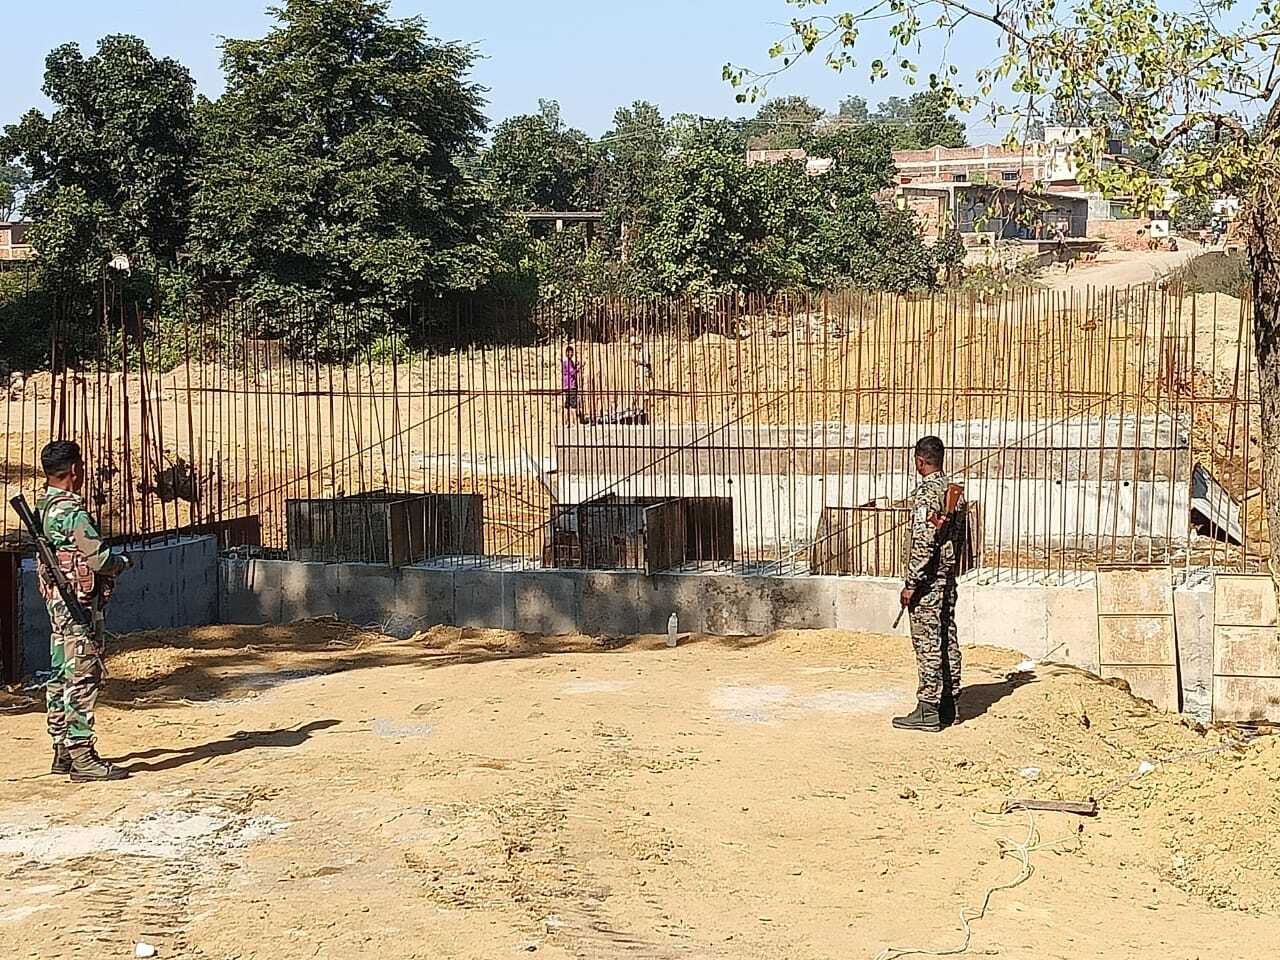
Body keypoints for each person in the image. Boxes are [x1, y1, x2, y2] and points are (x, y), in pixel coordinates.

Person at [37, 440, 131, 781]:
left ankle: (62, 748)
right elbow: (99, 560)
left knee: (61, 673)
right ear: (75, 471)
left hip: (58, 606)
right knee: (83, 675)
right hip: (77, 605)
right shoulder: (72, 513)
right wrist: (123, 563)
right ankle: (82, 756)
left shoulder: (44, 509)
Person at [893, 436, 964, 733]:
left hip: (928, 581)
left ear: (920, 461)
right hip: (946, 577)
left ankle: (928, 709)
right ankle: (949, 704)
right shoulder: (952, 491)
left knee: (928, 644)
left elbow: (924, 541)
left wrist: (912, 582)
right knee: (947, 638)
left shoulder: (927, 493)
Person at [630, 335, 652, 409]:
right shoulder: (640, 351)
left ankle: (646, 408)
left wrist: (638, 362)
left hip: (645, 372)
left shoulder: (645, 351)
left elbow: (647, 362)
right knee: (641, 389)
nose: (634, 348)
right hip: (641, 372)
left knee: (645, 390)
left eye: (635, 346)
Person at [561, 345, 581, 424]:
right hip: (571, 386)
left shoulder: (568, 362)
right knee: (573, 405)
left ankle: (566, 423)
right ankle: (575, 422)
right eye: (569, 352)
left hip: (566, 386)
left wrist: (575, 366)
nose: (571, 354)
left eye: (572, 352)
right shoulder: (568, 362)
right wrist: (578, 368)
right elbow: (572, 372)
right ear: (566, 353)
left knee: (567, 404)